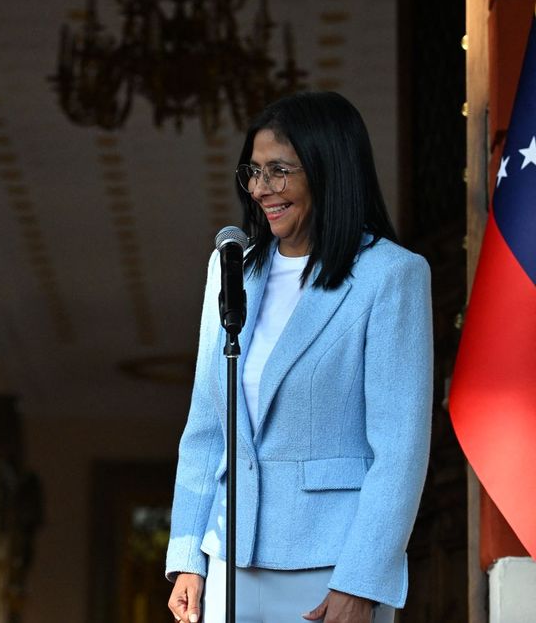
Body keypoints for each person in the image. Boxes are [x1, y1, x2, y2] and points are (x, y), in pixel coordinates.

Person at [165, 92, 432, 623]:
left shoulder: (390, 275)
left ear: (327, 170)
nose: (262, 189)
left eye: (280, 171)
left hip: (331, 569)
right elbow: (206, 428)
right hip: (229, 558)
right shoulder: (230, 271)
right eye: (254, 172)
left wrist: (362, 579)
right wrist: (188, 555)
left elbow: (399, 449)